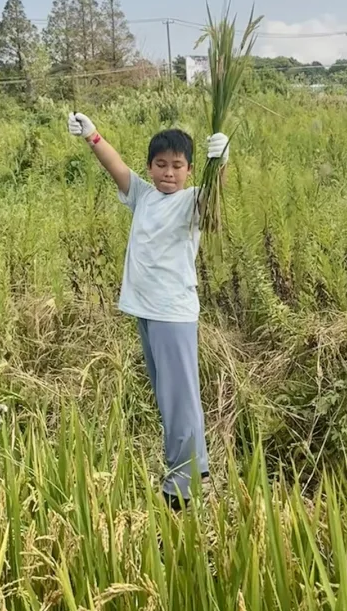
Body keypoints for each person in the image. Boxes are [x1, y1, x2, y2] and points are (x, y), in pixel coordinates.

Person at [68, 111, 229, 508]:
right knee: (168, 395)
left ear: (190, 170)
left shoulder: (192, 201)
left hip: (172, 312)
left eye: (177, 166)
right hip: (146, 309)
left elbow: (214, 205)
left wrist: (221, 164)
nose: (168, 173)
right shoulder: (143, 195)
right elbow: (115, 165)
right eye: (161, 165)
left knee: (179, 398)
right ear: (150, 167)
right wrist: (92, 135)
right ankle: (194, 469)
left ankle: (184, 487)